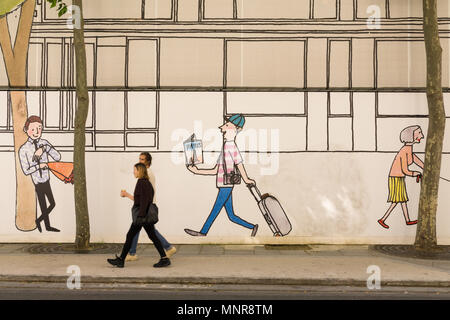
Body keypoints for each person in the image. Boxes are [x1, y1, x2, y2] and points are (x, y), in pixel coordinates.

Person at [184, 114, 258, 237]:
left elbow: (239, 163)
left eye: (227, 125)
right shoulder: (226, 146)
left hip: (226, 185)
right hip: (224, 184)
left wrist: (246, 179)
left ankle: (203, 232)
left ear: (236, 129)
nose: (222, 127)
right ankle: (253, 227)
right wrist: (196, 171)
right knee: (231, 216)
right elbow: (216, 170)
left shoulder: (231, 146)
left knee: (215, 210)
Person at [107, 163, 170, 268]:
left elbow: (144, 200)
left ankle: (121, 260)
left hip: (142, 216)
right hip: (144, 214)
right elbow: (142, 199)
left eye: (135, 170)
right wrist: (127, 195)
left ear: (140, 171)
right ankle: (164, 258)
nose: (133, 172)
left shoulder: (141, 182)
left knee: (130, 235)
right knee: (152, 236)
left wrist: (140, 216)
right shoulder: (146, 182)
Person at [120, 152, 177, 261]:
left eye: (142, 159)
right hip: (144, 207)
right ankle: (165, 252)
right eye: (139, 159)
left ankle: (130, 255)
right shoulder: (144, 176)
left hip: (145, 207)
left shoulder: (146, 176)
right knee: (149, 232)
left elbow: (145, 196)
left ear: (148, 162)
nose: (139, 161)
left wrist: (140, 211)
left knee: (143, 232)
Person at [19, 115, 61, 232]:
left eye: (39, 128)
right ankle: (47, 226)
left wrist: (46, 148)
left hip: (46, 179)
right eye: (33, 129)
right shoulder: (24, 149)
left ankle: (39, 221)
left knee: (52, 204)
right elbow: (26, 170)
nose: (37, 132)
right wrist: (39, 165)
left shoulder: (44, 143)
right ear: (26, 130)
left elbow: (57, 157)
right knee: (43, 206)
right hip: (37, 182)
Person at [378, 125, 425, 229]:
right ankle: (383, 219)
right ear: (412, 136)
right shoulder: (404, 151)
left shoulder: (409, 149)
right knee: (397, 200)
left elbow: (417, 160)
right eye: (419, 133)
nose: (422, 136)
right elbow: (405, 170)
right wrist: (416, 173)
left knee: (402, 199)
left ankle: (407, 220)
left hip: (399, 177)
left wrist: (426, 169)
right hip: (395, 178)